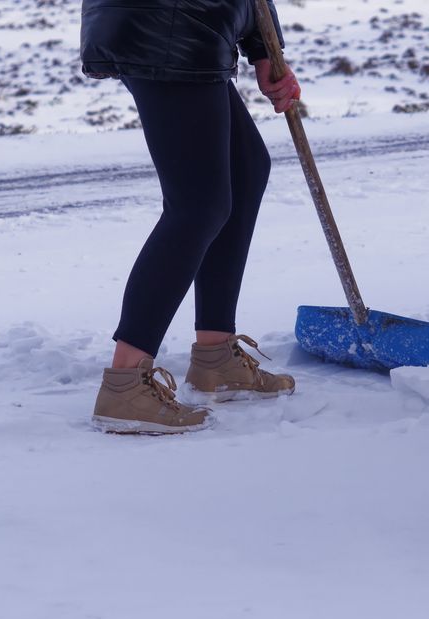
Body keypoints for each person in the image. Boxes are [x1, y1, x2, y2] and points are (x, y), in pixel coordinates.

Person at [79, 0, 302, 434]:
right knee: (198, 203)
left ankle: (217, 356)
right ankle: (125, 383)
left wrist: (262, 50)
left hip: (193, 25)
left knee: (245, 169)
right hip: (169, 23)